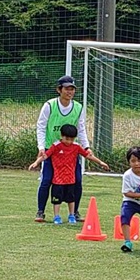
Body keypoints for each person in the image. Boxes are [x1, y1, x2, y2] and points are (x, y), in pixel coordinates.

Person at [34, 75, 92, 222]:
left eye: (72, 89)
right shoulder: (49, 106)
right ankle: (40, 211)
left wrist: (86, 146)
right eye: (67, 88)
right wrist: (41, 147)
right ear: (59, 90)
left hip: (71, 152)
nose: (70, 92)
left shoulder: (78, 107)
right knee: (47, 180)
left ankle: (75, 212)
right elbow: (41, 126)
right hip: (51, 151)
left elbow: (81, 128)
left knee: (77, 180)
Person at [29, 123, 110, 224]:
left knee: (71, 199)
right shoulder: (56, 146)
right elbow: (45, 155)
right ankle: (56, 217)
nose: (69, 142)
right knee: (56, 200)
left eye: (71, 139)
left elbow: (88, 155)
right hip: (57, 180)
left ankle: (72, 215)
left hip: (70, 179)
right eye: (67, 139)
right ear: (61, 136)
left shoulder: (76, 147)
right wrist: (36, 162)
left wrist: (100, 162)